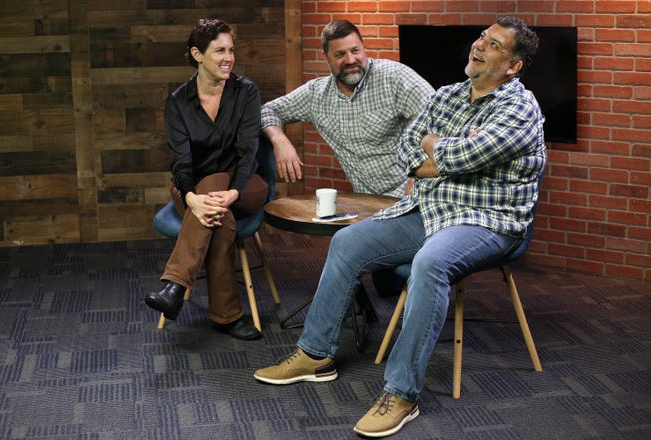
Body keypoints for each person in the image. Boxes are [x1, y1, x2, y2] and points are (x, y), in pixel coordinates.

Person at [254, 16, 545, 438]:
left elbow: (463, 157)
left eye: (496, 45)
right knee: (349, 240)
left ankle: (402, 392)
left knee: (430, 263)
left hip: (490, 220)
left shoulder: (520, 107)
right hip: (432, 208)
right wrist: (440, 151)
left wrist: (439, 150)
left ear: (513, 65)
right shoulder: (448, 96)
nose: (480, 46)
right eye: (482, 37)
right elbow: (408, 152)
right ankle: (314, 354)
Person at [262, 19, 435, 300]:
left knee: (362, 261)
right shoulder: (316, 94)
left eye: (356, 50)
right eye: (340, 54)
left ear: (364, 48)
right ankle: (355, 305)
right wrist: (281, 141)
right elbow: (268, 111)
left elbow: (441, 119)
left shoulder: (395, 77)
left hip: (411, 200)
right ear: (326, 58)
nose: (351, 60)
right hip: (367, 206)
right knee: (380, 280)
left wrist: (418, 174)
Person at [144, 19, 268, 341]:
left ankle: (174, 285)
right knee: (219, 222)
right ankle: (227, 316)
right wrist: (191, 199)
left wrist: (234, 192)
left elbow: (248, 154)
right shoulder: (178, 102)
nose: (228, 58)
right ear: (197, 54)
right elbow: (182, 163)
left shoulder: (245, 92)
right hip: (193, 190)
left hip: (245, 186)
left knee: (216, 191)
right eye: (219, 51)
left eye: (231, 50)